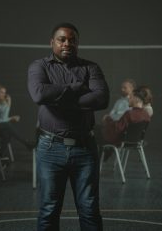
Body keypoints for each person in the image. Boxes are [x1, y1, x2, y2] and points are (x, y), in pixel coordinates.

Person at [28, 22, 110, 231]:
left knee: (89, 209)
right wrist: (76, 89)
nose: (67, 43)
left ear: (77, 43)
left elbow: (101, 99)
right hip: (50, 148)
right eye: (62, 39)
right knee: (49, 209)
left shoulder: (90, 67)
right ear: (52, 42)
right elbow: (39, 94)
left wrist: (58, 98)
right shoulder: (39, 66)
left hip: (85, 148)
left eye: (72, 40)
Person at [96, 86, 151, 161]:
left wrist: (108, 120)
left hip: (120, 140)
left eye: (131, 97)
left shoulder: (129, 114)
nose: (128, 99)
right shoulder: (146, 115)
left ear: (136, 99)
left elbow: (117, 129)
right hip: (135, 141)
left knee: (95, 130)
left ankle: (98, 159)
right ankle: (102, 156)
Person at [0, 85, 35, 156]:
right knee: (7, 125)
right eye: (1, 92)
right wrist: (10, 118)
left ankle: (0, 154)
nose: (4, 94)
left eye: (4, 93)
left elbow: (3, 119)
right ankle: (26, 143)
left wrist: (8, 104)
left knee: (7, 131)